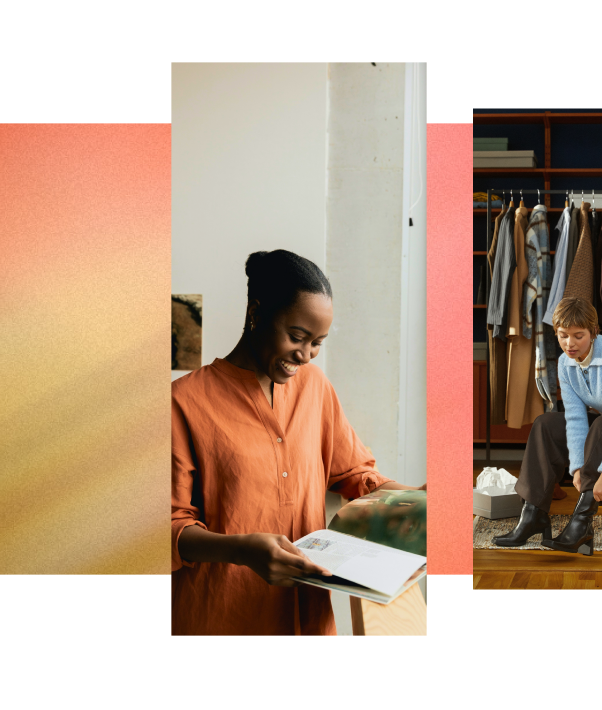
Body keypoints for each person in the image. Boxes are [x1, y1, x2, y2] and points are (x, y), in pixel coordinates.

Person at [171, 250, 426, 635]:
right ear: (256, 312)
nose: (305, 355)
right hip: (221, 618)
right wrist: (242, 549)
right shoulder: (184, 401)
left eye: (318, 343)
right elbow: (167, 527)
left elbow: (355, 473)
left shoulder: (315, 388)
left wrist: (421, 498)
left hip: (308, 618)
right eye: (297, 337)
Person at [494, 296, 602, 555]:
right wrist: (577, 468)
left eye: (579, 336)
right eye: (563, 335)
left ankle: (581, 522)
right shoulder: (566, 363)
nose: (570, 344)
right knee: (545, 423)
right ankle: (533, 514)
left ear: (594, 332)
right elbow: (575, 417)